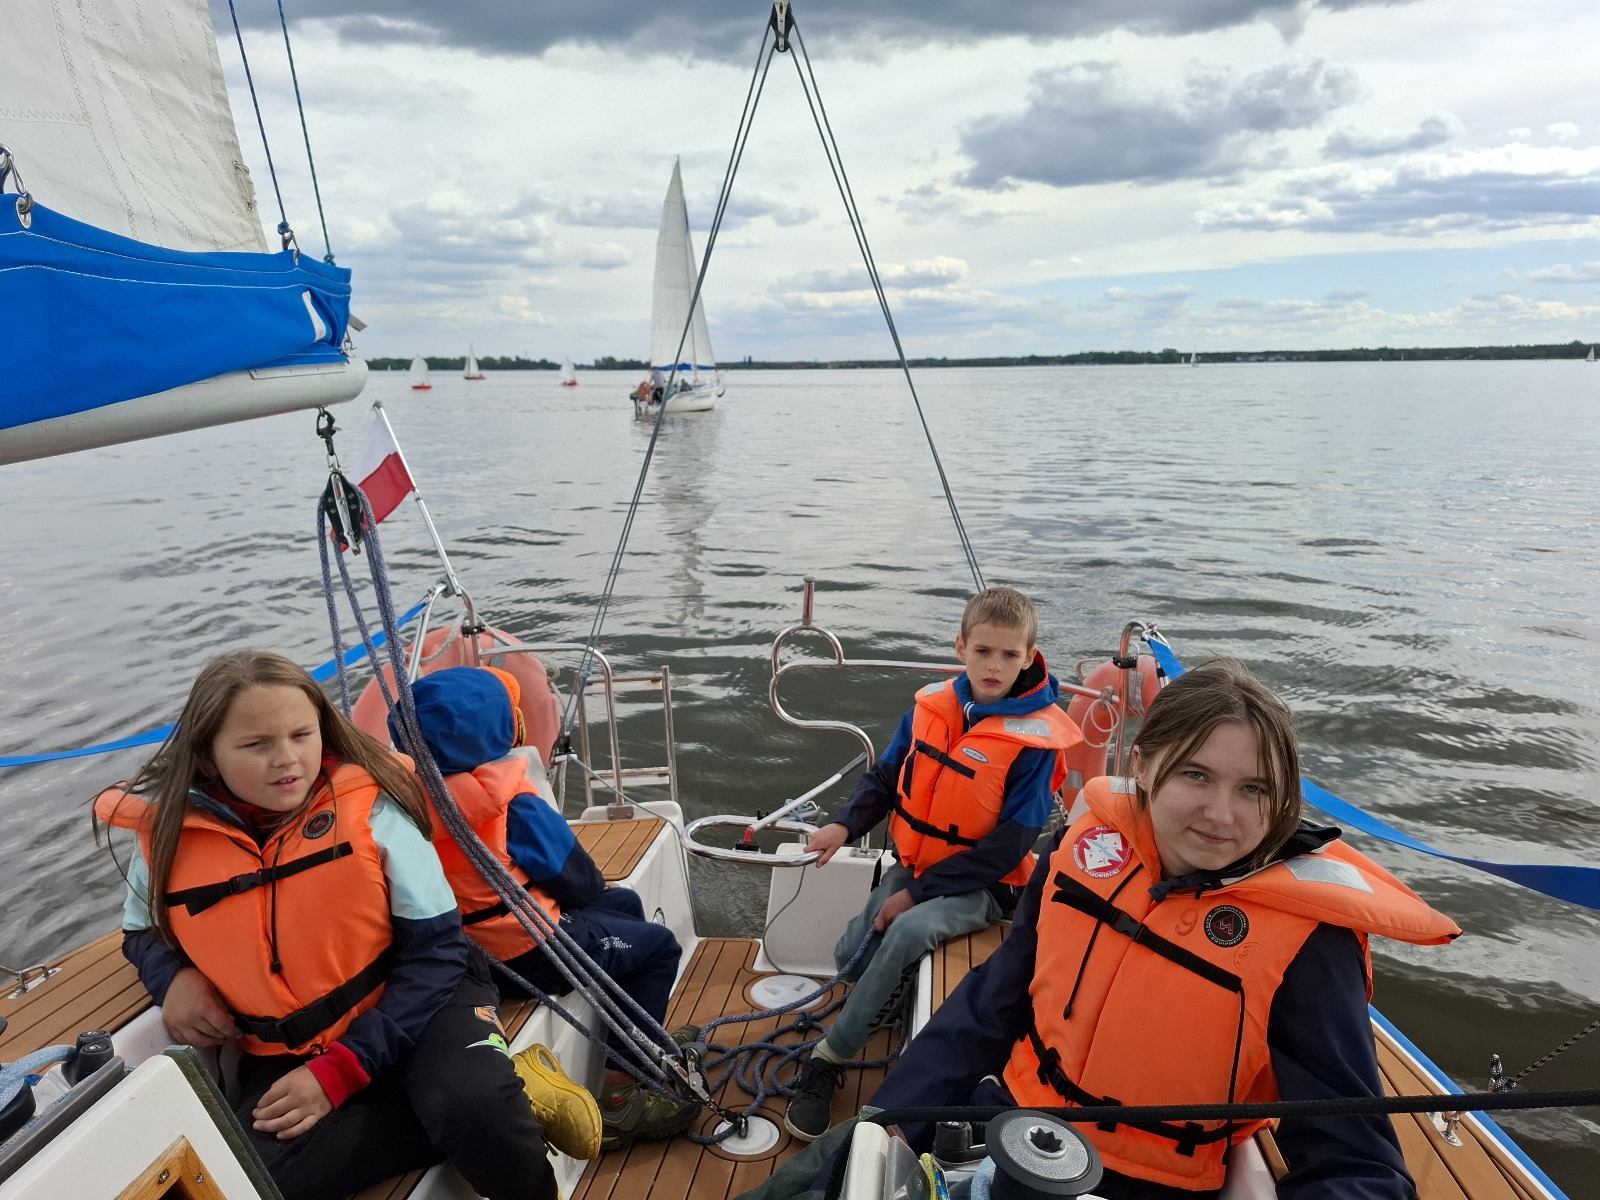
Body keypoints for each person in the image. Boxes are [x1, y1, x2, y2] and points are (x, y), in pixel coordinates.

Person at [864, 659, 1462, 1200]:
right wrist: (883, 1124)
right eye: (1196, 775)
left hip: (1147, 1185)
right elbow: (989, 1007)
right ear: (1143, 767)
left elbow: (1358, 1162)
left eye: (1254, 789)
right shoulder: (1081, 850)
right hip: (1005, 1128)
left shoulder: (1311, 944)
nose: (1221, 815)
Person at [94, 651, 582, 1200]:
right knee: (251, 1183)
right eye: (256, 745)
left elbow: (438, 953)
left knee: (475, 1109)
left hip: (421, 1004)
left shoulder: (373, 809)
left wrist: (343, 1070)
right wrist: (173, 979)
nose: (287, 759)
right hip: (290, 1046)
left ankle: (485, 1104)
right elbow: (141, 932)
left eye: (302, 736)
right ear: (207, 755)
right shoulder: (165, 840)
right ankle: (480, 1099)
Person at [785, 586, 1082, 1141]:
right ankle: (889, 997)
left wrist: (916, 895)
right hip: (920, 862)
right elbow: (884, 778)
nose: (994, 666)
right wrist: (844, 825)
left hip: (987, 884)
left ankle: (827, 1060)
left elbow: (1010, 846)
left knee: (906, 930)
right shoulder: (930, 708)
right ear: (960, 648)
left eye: (1009, 655)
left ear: (1029, 657)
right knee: (851, 953)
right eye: (983, 651)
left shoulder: (1036, 744)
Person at [397, 665, 698, 1150]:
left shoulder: (404, 800)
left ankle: (637, 1035)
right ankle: (622, 1097)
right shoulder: (510, 804)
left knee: (624, 903)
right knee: (659, 947)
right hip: (529, 953)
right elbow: (581, 882)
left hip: (475, 955)